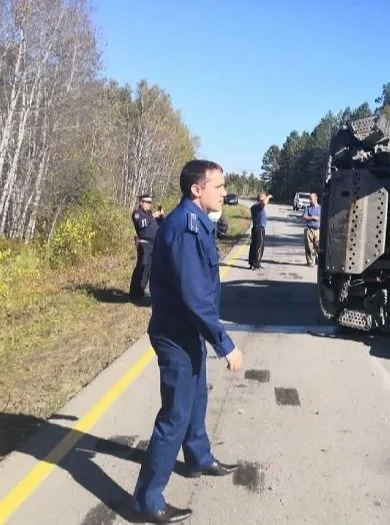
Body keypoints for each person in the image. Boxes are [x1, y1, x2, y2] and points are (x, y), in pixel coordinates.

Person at [131, 159, 244, 524]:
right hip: (176, 334)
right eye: (219, 186)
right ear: (197, 190)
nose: (225, 192)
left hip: (188, 331)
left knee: (197, 398)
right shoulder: (183, 229)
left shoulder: (197, 223)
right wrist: (225, 344)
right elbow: (195, 297)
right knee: (175, 414)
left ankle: (198, 457)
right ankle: (148, 499)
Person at [129, 194, 164, 302]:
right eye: (147, 202)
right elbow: (141, 224)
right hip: (144, 243)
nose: (149, 205)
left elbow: (160, 225)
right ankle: (134, 292)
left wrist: (161, 216)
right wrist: (153, 215)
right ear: (141, 202)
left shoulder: (149, 214)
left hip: (154, 244)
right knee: (141, 266)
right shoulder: (138, 214)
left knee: (148, 269)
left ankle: (141, 290)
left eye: (150, 203)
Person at [248, 192, 272, 269]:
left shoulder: (253, 207)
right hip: (259, 229)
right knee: (259, 246)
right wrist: (268, 197)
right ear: (261, 199)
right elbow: (264, 203)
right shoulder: (259, 206)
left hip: (254, 228)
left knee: (253, 246)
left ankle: (252, 262)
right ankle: (256, 263)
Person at [301, 192, 321, 266]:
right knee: (308, 247)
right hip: (308, 229)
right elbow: (303, 217)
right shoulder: (308, 208)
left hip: (317, 230)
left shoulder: (320, 208)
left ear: (316, 198)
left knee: (318, 247)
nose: (310, 200)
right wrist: (312, 217)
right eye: (309, 199)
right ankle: (310, 262)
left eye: (311, 199)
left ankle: (318, 261)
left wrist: (319, 218)